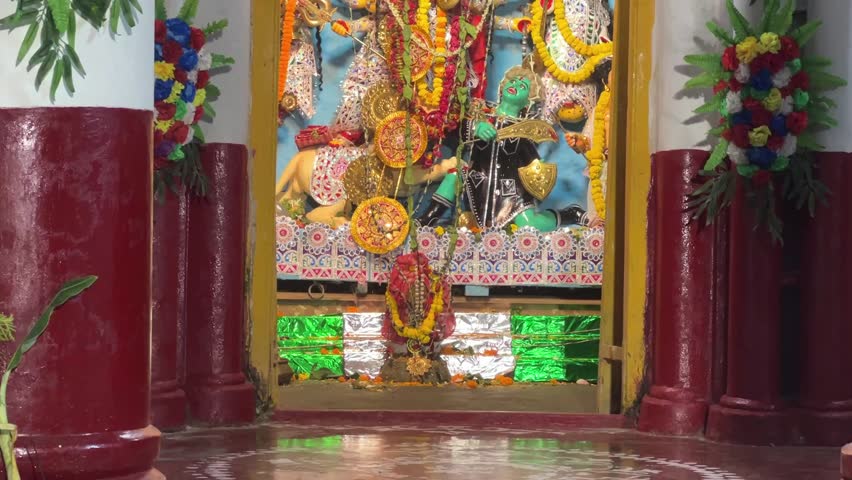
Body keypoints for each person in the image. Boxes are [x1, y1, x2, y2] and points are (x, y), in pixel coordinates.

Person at [418, 65, 591, 230]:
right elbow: (456, 129)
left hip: (511, 190)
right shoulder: (482, 113)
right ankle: (427, 219)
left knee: (529, 226)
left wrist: (538, 169)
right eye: (513, 81)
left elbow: (531, 160)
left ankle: (570, 214)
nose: (515, 85)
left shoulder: (524, 129)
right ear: (502, 86)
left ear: (528, 100)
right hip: (479, 181)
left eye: (522, 86)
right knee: (455, 174)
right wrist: (476, 128)